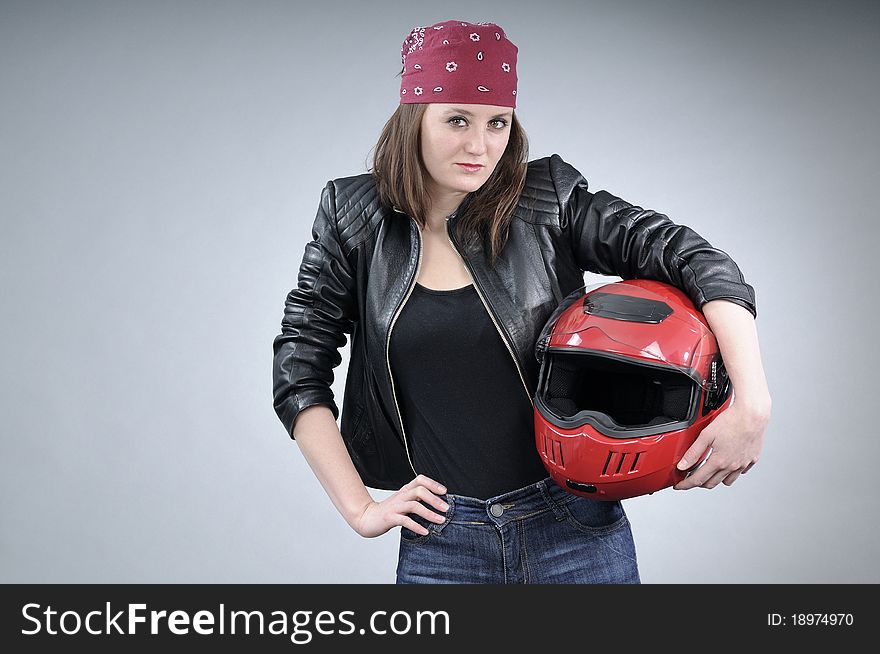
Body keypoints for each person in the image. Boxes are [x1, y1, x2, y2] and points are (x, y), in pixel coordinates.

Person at [271, 19, 771, 584]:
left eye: (497, 123)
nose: (479, 145)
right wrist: (361, 509)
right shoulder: (352, 218)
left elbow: (694, 258)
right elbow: (299, 369)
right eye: (456, 120)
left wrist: (750, 400)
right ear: (413, 118)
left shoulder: (547, 202)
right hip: (442, 543)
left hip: (573, 528)